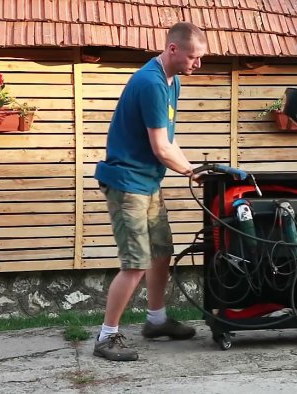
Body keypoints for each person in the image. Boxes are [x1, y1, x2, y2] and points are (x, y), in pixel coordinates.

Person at [92, 22, 207, 361]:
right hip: (127, 185)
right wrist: (190, 171)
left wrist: (193, 168)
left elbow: (169, 138)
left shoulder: (173, 83)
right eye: (193, 57)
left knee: (161, 252)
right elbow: (161, 148)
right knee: (135, 263)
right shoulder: (151, 83)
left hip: (148, 183)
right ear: (173, 49)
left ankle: (156, 321)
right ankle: (106, 337)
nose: (197, 64)